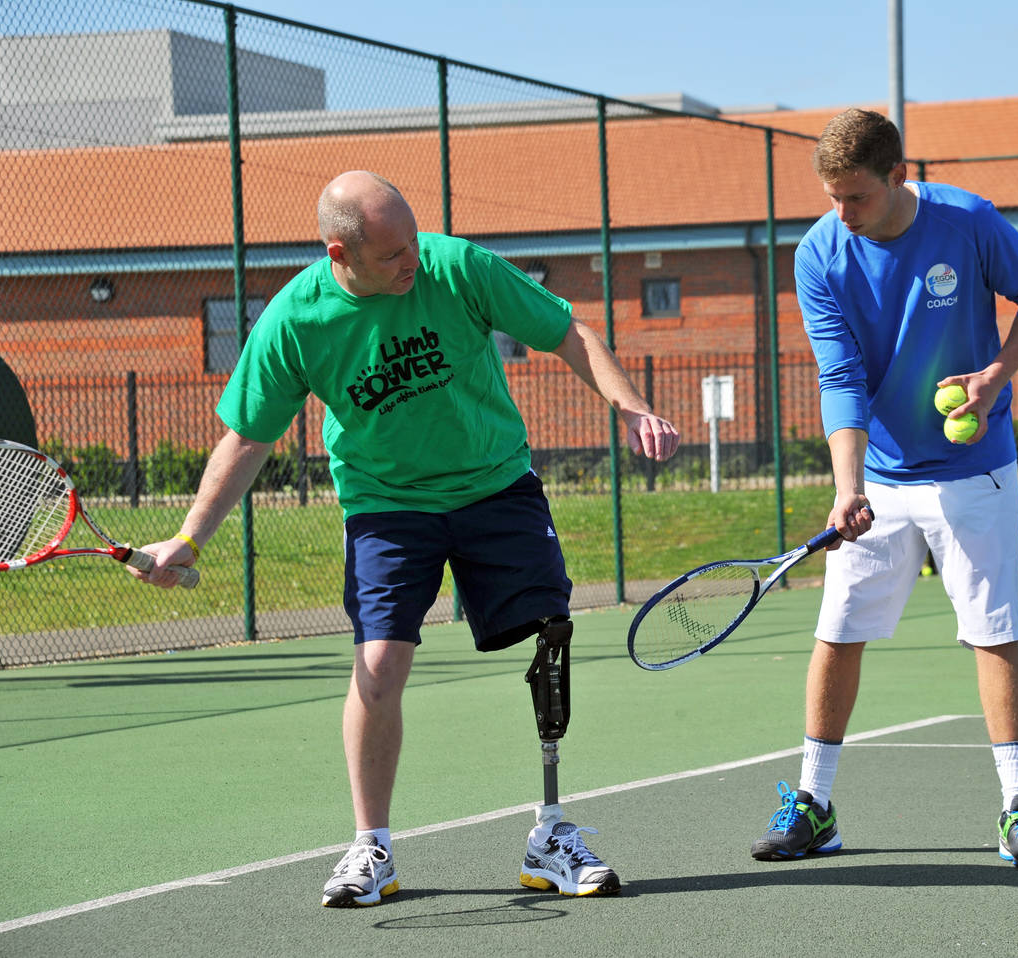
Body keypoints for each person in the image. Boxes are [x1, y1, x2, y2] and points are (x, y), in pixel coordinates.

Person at [133, 170, 680, 905]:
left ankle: (551, 833)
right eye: (392, 253)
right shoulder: (295, 320)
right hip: (386, 503)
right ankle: (372, 848)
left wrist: (631, 406)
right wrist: (188, 539)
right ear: (341, 253)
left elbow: (568, 332)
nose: (412, 260)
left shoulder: (457, 267)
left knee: (551, 633)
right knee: (380, 661)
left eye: (414, 241)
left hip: (494, 482)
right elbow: (247, 438)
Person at [749, 109, 1018, 869]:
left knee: (993, 630)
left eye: (854, 196)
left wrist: (994, 377)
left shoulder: (969, 221)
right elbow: (840, 375)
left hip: (973, 469)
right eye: (830, 196)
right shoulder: (820, 254)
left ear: (897, 176)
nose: (841, 212)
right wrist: (848, 486)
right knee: (838, 633)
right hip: (880, 480)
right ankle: (814, 807)